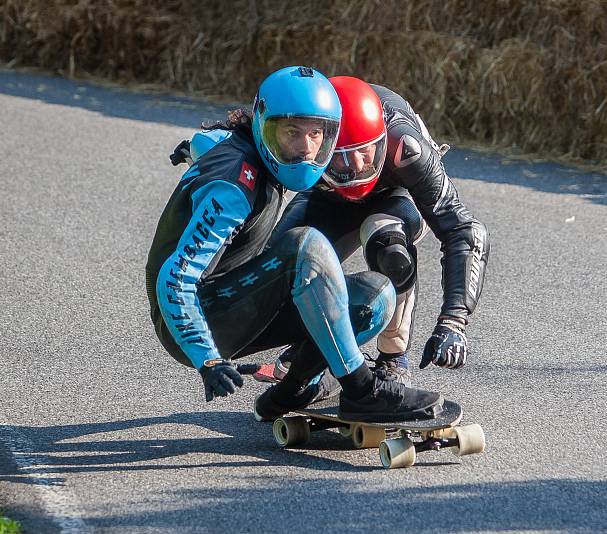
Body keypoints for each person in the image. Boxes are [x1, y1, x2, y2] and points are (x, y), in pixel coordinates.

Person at [145, 66, 443, 423]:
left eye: (317, 133)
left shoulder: (237, 143)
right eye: (291, 132)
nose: (304, 149)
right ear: (263, 125)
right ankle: (363, 390)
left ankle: (294, 389)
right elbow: (175, 279)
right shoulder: (232, 191)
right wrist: (206, 357)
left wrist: (192, 149)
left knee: (375, 296)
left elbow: (208, 141)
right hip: (196, 320)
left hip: (239, 300)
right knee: (306, 246)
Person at [265, 76, 490, 385]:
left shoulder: (405, 148)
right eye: (341, 154)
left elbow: (464, 230)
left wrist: (453, 322)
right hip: (327, 194)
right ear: (318, 139)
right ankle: (311, 343)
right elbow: (254, 132)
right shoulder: (301, 136)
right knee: (278, 265)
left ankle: (394, 359)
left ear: (382, 139)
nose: (355, 165)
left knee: (389, 247)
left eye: (365, 151)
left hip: (397, 195)